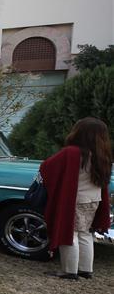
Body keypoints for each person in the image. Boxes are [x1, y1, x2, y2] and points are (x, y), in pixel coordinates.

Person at [41, 117, 112, 279]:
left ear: (80, 132)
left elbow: (47, 166)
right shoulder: (103, 154)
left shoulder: (72, 152)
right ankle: (85, 270)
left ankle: (69, 271)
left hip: (75, 200)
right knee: (85, 233)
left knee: (70, 233)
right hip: (94, 199)